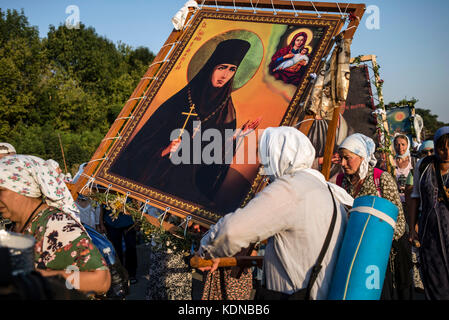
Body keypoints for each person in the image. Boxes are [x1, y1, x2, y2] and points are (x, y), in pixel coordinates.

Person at [198, 126, 354, 300]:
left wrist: (207, 251)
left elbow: (231, 231)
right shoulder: (328, 191)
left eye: (266, 158)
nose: (264, 166)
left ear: (278, 156)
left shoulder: (292, 188)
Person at [110, 39, 259, 209]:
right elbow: (141, 145)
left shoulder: (227, 111)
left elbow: (215, 161)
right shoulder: (180, 100)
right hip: (155, 181)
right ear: (211, 67)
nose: (225, 75)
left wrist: (236, 136)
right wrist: (165, 149)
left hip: (187, 192)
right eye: (221, 68)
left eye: (232, 69)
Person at [0, 154, 111, 294]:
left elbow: (101, 280)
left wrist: (37, 278)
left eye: (1, 190)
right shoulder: (16, 226)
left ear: (23, 188)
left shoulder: (57, 225)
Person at [336, 133, 413, 300]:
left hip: (380, 257)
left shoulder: (381, 178)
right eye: (341, 158)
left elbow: (399, 222)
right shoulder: (341, 181)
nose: (342, 163)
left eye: (347, 158)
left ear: (362, 156)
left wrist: (376, 240)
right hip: (352, 253)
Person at [408, 126, 449, 299]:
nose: (446, 152)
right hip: (429, 234)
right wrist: (412, 228)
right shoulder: (423, 166)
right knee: (434, 277)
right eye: (442, 147)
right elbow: (415, 197)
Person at [99, 201, 138, 285]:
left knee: (131, 248)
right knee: (116, 250)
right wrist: (101, 223)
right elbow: (101, 204)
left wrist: (137, 220)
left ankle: (131, 274)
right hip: (111, 222)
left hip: (129, 221)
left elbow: (135, 201)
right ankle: (120, 275)